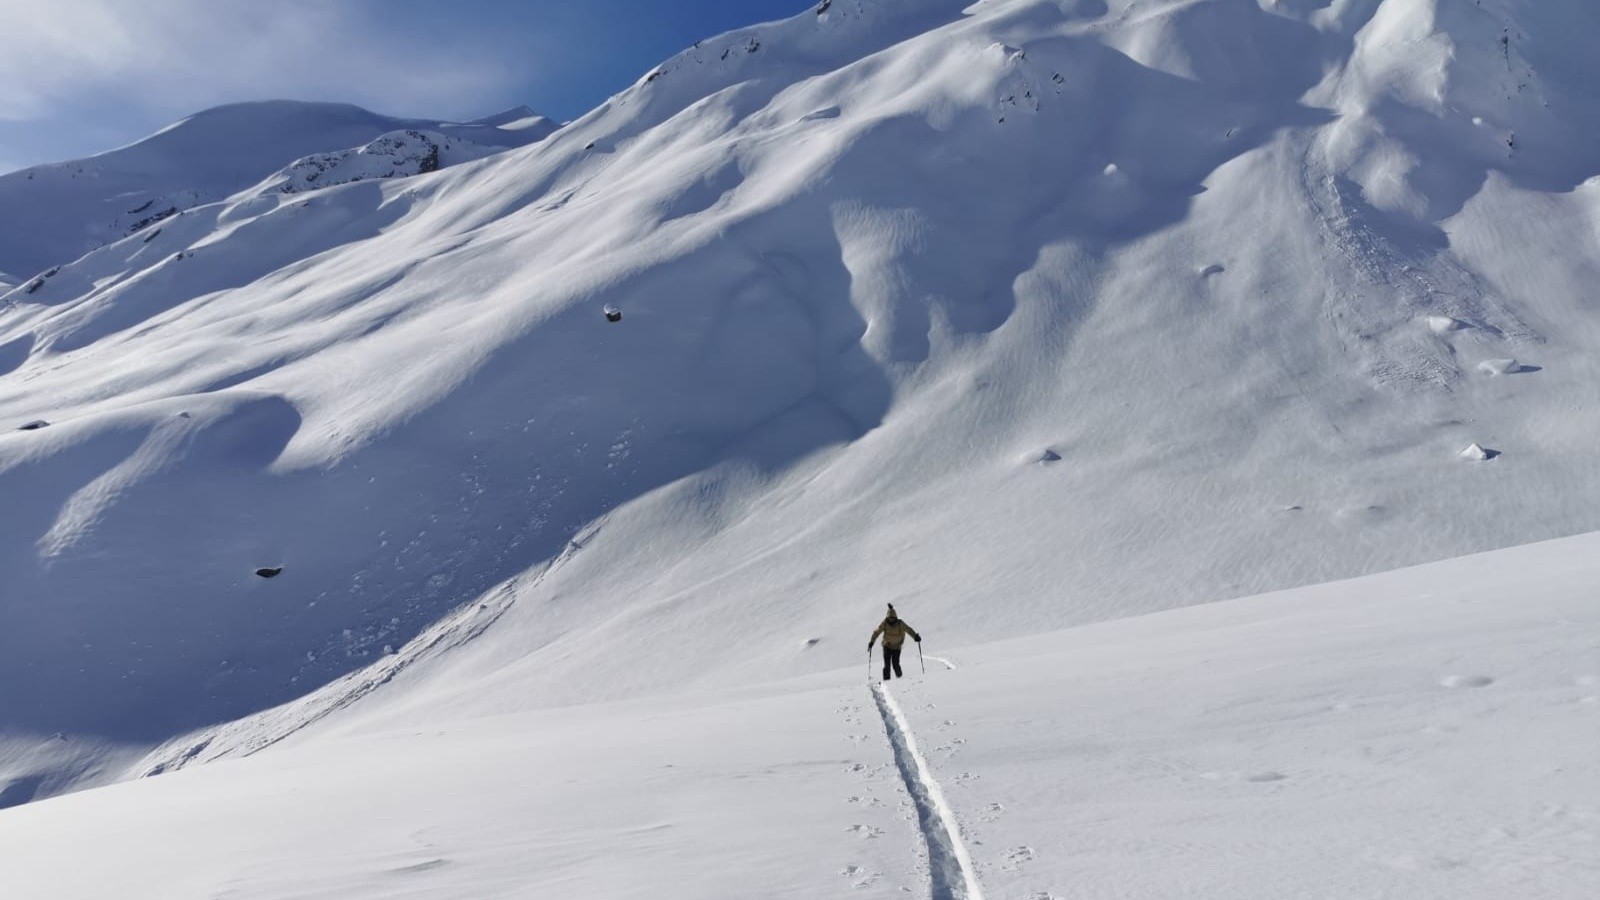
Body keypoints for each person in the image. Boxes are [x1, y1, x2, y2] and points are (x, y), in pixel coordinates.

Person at [868, 603, 921, 681]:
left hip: (897, 647)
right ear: (887, 617)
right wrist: (872, 642)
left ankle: (899, 679)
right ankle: (887, 682)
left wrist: (915, 636)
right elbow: (877, 632)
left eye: (892, 618)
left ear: (895, 617)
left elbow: (908, 629)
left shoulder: (900, 623)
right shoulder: (885, 623)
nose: (891, 620)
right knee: (887, 666)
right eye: (890, 618)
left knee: (895, 665)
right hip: (887, 645)